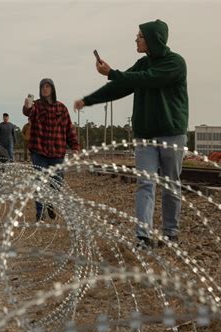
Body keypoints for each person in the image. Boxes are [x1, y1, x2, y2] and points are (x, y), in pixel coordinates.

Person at [74, 19, 188, 248]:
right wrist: (88, 100)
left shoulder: (175, 63)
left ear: (153, 39)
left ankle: (170, 233)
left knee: (169, 185)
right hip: (145, 135)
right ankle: (143, 236)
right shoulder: (141, 64)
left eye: (140, 36)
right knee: (145, 183)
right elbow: (120, 86)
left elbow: (150, 79)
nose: (136, 39)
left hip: (171, 134)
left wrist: (113, 73)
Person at [23, 78, 79, 222]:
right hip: (39, 151)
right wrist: (27, 106)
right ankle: (40, 213)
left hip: (57, 151)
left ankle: (51, 204)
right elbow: (28, 112)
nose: (45, 89)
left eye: (48, 86)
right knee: (39, 183)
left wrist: (75, 146)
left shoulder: (61, 108)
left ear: (53, 89)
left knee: (57, 183)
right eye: (43, 87)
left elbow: (69, 128)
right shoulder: (36, 106)